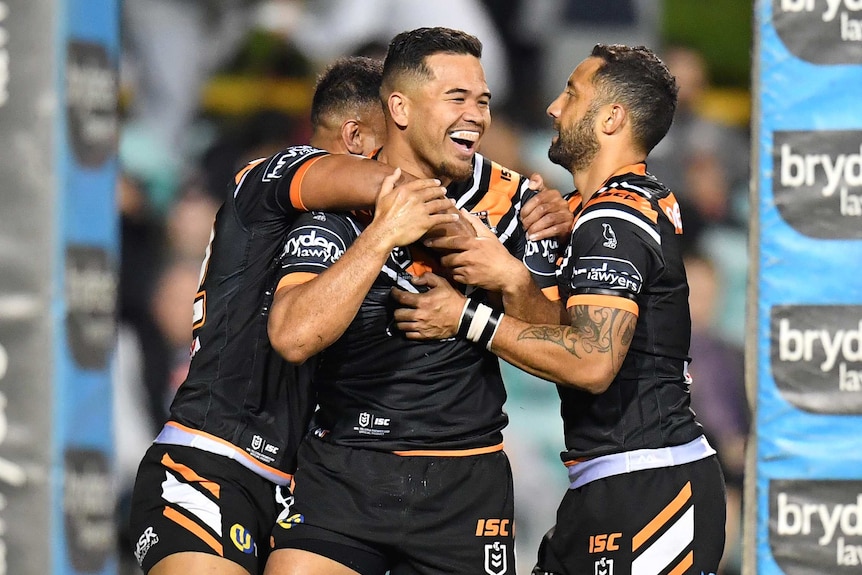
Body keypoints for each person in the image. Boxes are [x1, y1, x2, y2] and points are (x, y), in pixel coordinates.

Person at [392, 44, 727, 575]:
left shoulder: (612, 220)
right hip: (607, 485)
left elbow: (590, 363)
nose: (552, 106)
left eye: (571, 93)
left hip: (650, 489)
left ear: (612, 117)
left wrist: (465, 318)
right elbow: (564, 335)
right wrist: (512, 277)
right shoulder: (594, 211)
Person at [126, 56, 458, 575]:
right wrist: (469, 195)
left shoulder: (367, 236)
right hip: (210, 462)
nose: (414, 160)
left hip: (304, 493)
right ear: (355, 136)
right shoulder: (271, 177)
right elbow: (369, 185)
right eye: (403, 139)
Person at [264, 27, 569, 575]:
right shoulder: (341, 190)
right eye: (456, 98)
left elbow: (564, 354)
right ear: (399, 108)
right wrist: (382, 233)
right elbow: (292, 336)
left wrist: (511, 283)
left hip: (464, 484)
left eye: (483, 101)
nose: (476, 115)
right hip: (344, 470)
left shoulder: (520, 203)